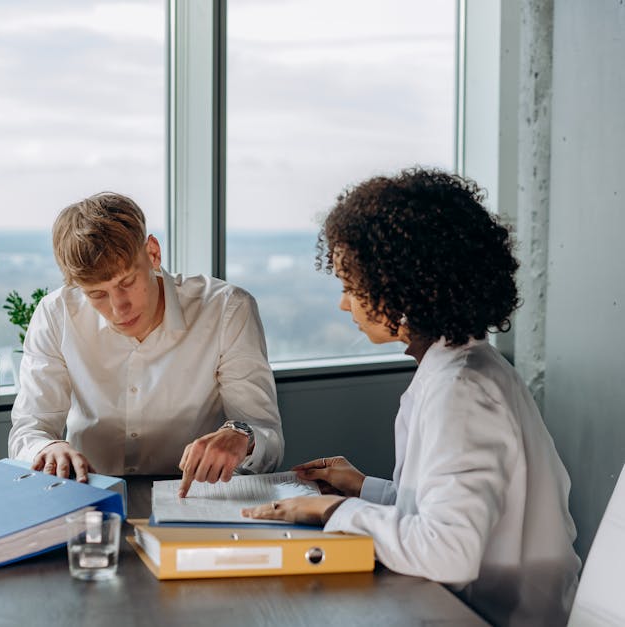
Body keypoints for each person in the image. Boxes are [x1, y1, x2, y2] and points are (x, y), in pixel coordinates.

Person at [242, 168, 580, 627]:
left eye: (349, 287)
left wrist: (336, 509)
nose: (344, 305)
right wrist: (366, 489)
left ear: (403, 289)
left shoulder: (460, 391)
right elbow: (449, 507)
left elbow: (449, 552)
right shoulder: (465, 365)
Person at [8, 191, 283, 495]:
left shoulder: (227, 310)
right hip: (88, 501)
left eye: (126, 282)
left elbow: (267, 436)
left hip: (194, 502)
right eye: (97, 294)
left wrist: (243, 437)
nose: (118, 307)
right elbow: (29, 429)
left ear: (152, 252)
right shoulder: (56, 314)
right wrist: (48, 447)